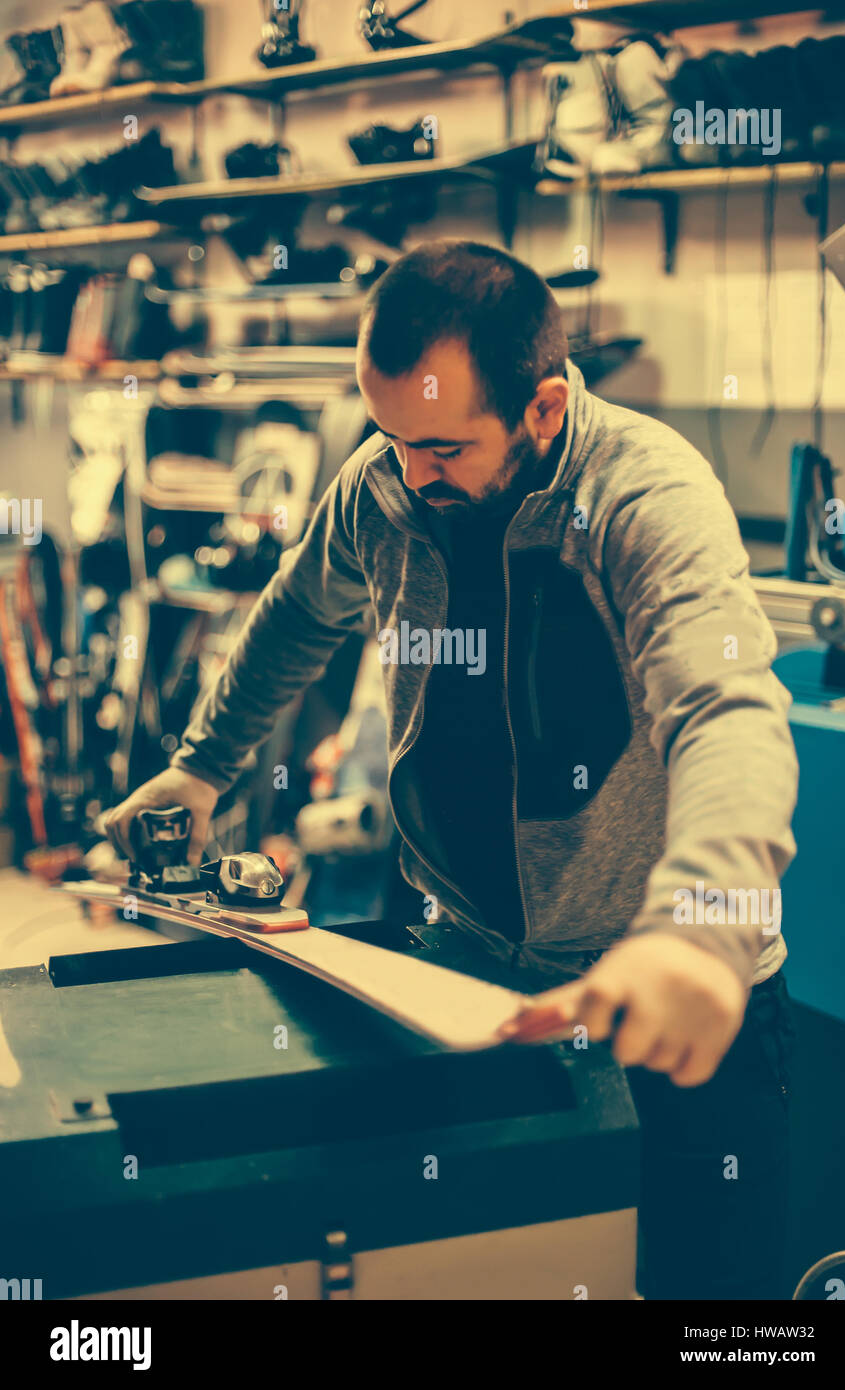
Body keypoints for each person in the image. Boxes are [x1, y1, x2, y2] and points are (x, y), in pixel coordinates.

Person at [106, 239, 798, 1299]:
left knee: (712, 1299)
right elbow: (298, 612)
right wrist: (202, 768)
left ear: (544, 409)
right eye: (386, 437)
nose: (406, 473)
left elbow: (727, 708)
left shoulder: (644, 497)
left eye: (438, 447)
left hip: (668, 995)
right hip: (466, 972)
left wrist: (697, 934)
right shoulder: (386, 482)